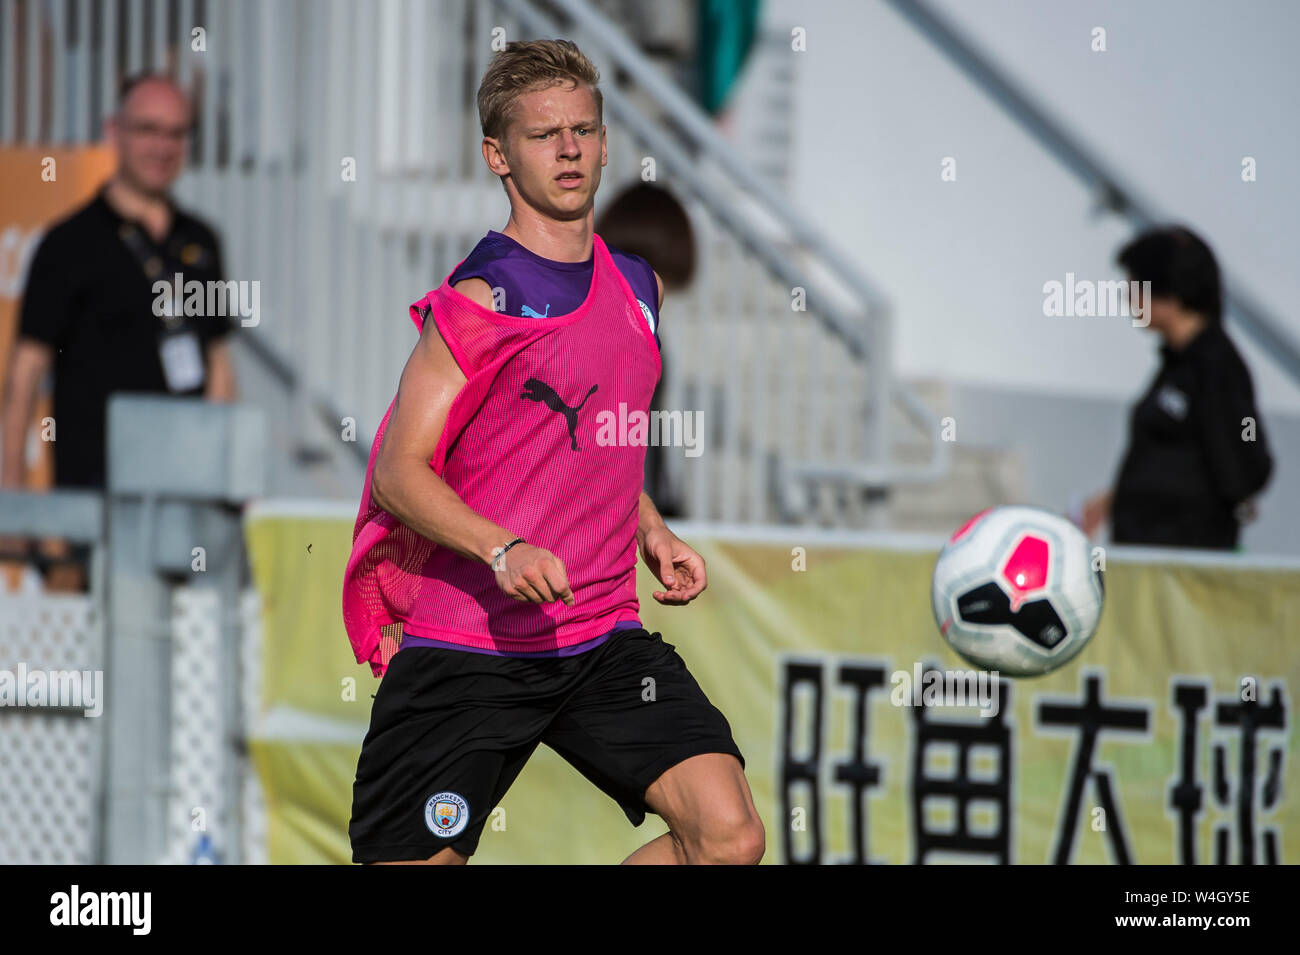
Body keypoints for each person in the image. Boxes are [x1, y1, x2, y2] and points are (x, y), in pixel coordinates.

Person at [342, 39, 762, 865]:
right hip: (470, 645)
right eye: (544, 135)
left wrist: (651, 529)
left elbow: (589, 437)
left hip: (598, 633)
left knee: (729, 838)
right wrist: (500, 547)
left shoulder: (640, 286)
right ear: (499, 155)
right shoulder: (482, 296)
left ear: (606, 144)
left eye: (584, 129)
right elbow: (397, 470)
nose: (569, 149)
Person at [0, 73, 237, 591]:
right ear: (114, 131)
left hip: (187, 503)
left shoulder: (202, 242)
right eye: (148, 129)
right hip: (96, 503)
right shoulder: (68, 244)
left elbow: (217, 364)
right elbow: (24, 375)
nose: (162, 146)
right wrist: (14, 503)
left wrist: (225, 483)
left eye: (176, 133)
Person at [1081, 226, 1273, 549]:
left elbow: (1247, 461)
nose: (1127, 296)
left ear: (1170, 295)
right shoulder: (1177, 364)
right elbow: (1175, 459)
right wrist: (1117, 499)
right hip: (1150, 560)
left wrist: (1236, 495)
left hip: (1182, 571)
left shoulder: (1217, 368)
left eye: (1135, 285)